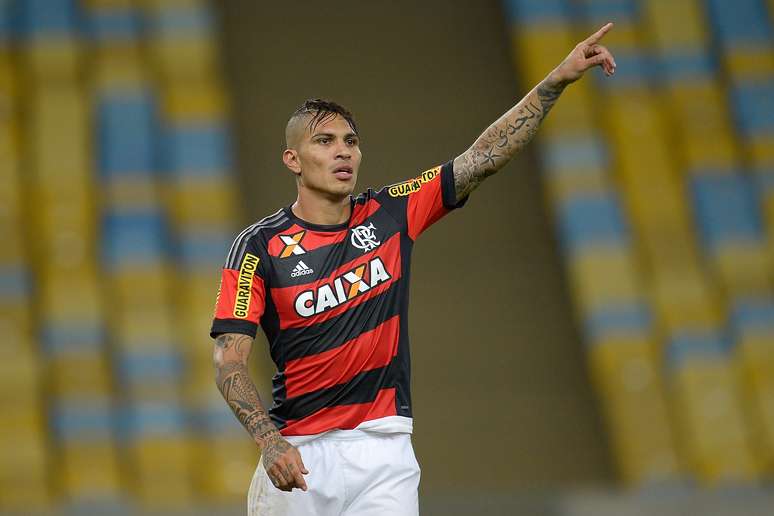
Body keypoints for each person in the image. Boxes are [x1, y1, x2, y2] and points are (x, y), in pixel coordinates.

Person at [210, 22, 616, 516]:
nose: (343, 150)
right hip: (299, 453)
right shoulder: (259, 246)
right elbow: (230, 361)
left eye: (351, 140)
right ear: (293, 159)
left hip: (386, 453)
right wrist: (269, 442)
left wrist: (554, 83)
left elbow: (480, 159)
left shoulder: (391, 212)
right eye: (325, 141)